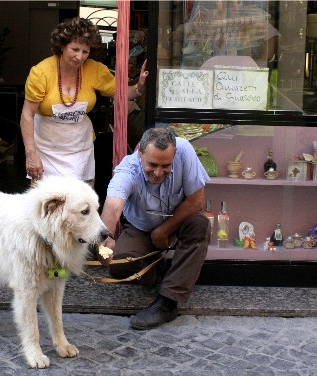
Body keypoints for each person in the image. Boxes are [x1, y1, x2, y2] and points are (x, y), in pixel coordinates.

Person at [100, 128, 211, 330]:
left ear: (174, 154)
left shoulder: (184, 150)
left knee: (200, 225)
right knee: (119, 264)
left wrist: (164, 231)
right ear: (140, 152)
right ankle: (157, 277)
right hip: (141, 226)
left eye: (165, 166)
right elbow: (113, 206)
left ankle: (167, 302)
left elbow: (196, 200)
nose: (158, 173)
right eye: (152, 165)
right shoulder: (128, 168)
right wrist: (103, 243)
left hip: (178, 221)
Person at [20, 17, 148, 183]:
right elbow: (27, 115)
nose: (79, 57)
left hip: (80, 149)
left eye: (85, 52)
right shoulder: (40, 73)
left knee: (80, 203)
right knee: (47, 203)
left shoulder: (95, 70)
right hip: (46, 150)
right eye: (75, 49)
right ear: (61, 46)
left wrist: (140, 87)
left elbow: (122, 93)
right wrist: (31, 154)